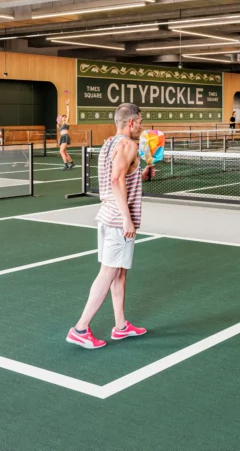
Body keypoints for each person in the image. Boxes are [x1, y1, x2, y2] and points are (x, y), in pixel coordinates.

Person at [67, 103, 148, 349]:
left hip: (106, 215)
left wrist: (141, 174)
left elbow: (120, 175)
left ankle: (121, 326)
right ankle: (80, 328)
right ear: (131, 122)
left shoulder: (108, 144)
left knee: (119, 272)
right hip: (117, 220)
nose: (142, 126)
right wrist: (126, 218)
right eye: (141, 122)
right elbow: (115, 180)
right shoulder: (129, 145)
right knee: (108, 273)